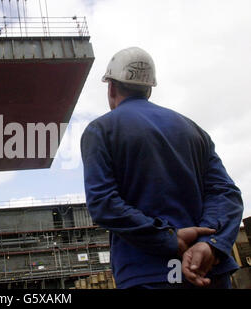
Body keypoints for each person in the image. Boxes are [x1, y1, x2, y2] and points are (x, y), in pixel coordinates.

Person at [81, 47, 244, 289]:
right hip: (209, 271)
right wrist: (210, 243)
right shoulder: (194, 130)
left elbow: (103, 203)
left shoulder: (100, 131)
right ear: (148, 88)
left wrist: (168, 238)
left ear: (111, 87)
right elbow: (226, 193)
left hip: (148, 274)